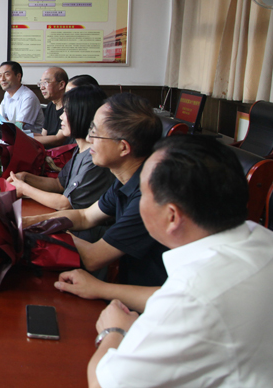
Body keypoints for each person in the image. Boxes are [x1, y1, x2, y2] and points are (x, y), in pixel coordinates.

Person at [82, 135, 273, 387]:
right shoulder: (268, 241)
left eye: (142, 194)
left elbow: (102, 383)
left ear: (172, 216)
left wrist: (114, 331)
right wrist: (100, 289)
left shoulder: (191, 298)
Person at [22, 93, 167, 286]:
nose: (89, 138)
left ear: (123, 148)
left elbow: (94, 257)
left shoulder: (147, 196)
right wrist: (29, 222)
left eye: (95, 133)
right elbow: (84, 216)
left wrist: (47, 228)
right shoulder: (124, 180)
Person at [9, 85, 113, 212]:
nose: (61, 117)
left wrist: (24, 189)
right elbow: (59, 184)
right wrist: (25, 177)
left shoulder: (94, 157)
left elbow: (64, 204)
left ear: (81, 114)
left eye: (66, 112)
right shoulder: (79, 149)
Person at [0, 61, 43, 133]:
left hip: (31, 138)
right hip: (13, 135)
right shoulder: (7, 94)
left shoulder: (28, 97)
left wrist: (4, 121)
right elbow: (1, 116)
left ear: (18, 77)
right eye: (0, 76)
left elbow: (18, 126)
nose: (2, 79)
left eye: (7, 75)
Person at [34, 66, 70, 147]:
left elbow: (58, 140)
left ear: (61, 85)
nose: (42, 87)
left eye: (46, 83)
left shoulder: (69, 107)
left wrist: (25, 138)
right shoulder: (51, 105)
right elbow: (44, 135)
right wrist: (22, 134)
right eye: (41, 83)